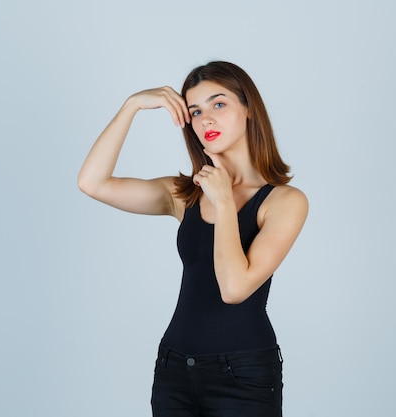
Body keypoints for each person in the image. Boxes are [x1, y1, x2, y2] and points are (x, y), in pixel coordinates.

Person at [78, 61, 308, 417]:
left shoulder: (284, 201)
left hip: (243, 376)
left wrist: (225, 200)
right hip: (174, 371)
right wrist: (131, 106)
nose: (206, 120)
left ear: (248, 109)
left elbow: (234, 288)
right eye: (196, 111)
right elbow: (92, 183)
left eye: (219, 104)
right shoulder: (184, 194)